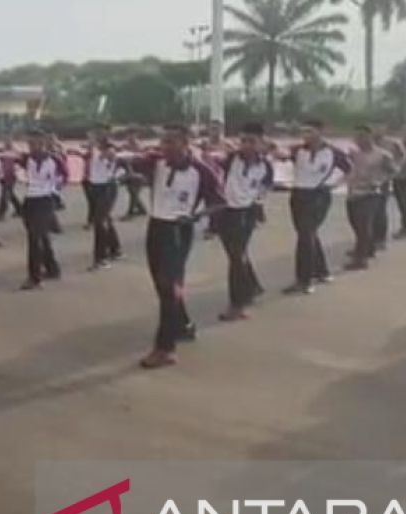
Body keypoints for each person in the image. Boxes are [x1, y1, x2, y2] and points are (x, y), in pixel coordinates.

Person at [130, 124, 223, 369]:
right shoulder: (157, 163)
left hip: (178, 230)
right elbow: (133, 164)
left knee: (168, 286)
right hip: (156, 226)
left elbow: (219, 202)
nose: (165, 146)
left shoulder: (201, 171)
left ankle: (165, 348)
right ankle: (183, 325)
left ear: (185, 143)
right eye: (163, 141)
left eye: (171, 142)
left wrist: (196, 216)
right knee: (162, 286)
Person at [282, 119, 350, 295]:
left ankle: (304, 280)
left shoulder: (333, 152)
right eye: (304, 131)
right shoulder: (297, 150)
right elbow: (281, 155)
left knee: (306, 235)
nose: (306, 135)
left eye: (310, 131)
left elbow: (349, 169)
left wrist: (334, 184)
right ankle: (322, 271)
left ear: (320, 132)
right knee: (308, 234)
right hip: (298, 195)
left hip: (318, 196)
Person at [216, 123, 274, 321]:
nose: (247, 145)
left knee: (236, 257)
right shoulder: (231, 159)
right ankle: (251, 286)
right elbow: (213, 168)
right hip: (225, 213)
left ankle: (237, 304)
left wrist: (258, 203)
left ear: (261, 143)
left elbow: (266, 186)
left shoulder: (265, 165)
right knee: (236, 254)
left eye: (252, 141)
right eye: (243, 141)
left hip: (245, 214)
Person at [344, 125, 396, 271]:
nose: (358, 140)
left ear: (369, 136)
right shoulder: (354, 154)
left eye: (362, 136)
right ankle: (368, 248)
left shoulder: (382, 155)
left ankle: (360, 259)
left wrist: (380, 181)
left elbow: (393, 171)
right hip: (354, 192)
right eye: (356, 137)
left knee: (363, 225)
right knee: (354, 222)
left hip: (371, 193)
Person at [19, 129, 66, 290]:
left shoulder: (54, 160)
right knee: (41, 237)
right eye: (30, 143)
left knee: (34, 238)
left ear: (44, 143)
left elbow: (63, 177)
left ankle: (35, 277)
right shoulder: (25, 159)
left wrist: (54, 192)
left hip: (45, 200)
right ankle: (53, 268)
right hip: (29, 200)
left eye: (37, 143)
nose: (33, 146)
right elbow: (13, 168)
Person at [81, 127, 123, 270]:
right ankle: (115, 249)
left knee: (99, 221)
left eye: (93, 135)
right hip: (96, 186)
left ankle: (101, 258)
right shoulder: (93, 149)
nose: (90, 137)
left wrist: (105, 153)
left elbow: (113, 158)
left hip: (107, 187)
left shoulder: (108, 150)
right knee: (106, 219)